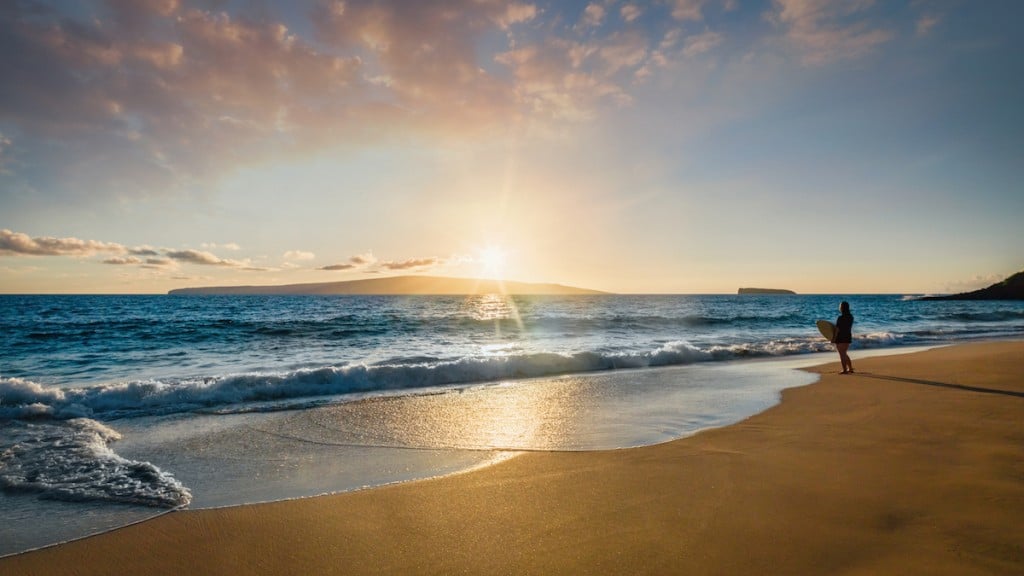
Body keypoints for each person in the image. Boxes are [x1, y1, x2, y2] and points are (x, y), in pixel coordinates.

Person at [832, 301, 855, 374]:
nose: (839, 307)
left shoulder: (840, 318)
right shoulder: (851, 317)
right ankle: (850, 368)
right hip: (848, 336)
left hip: (840, 337)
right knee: (844, 353)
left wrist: (833, 338)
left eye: (840, 306)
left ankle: (844, 370)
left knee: (842, 354)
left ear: (842, 308)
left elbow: (837, 329)